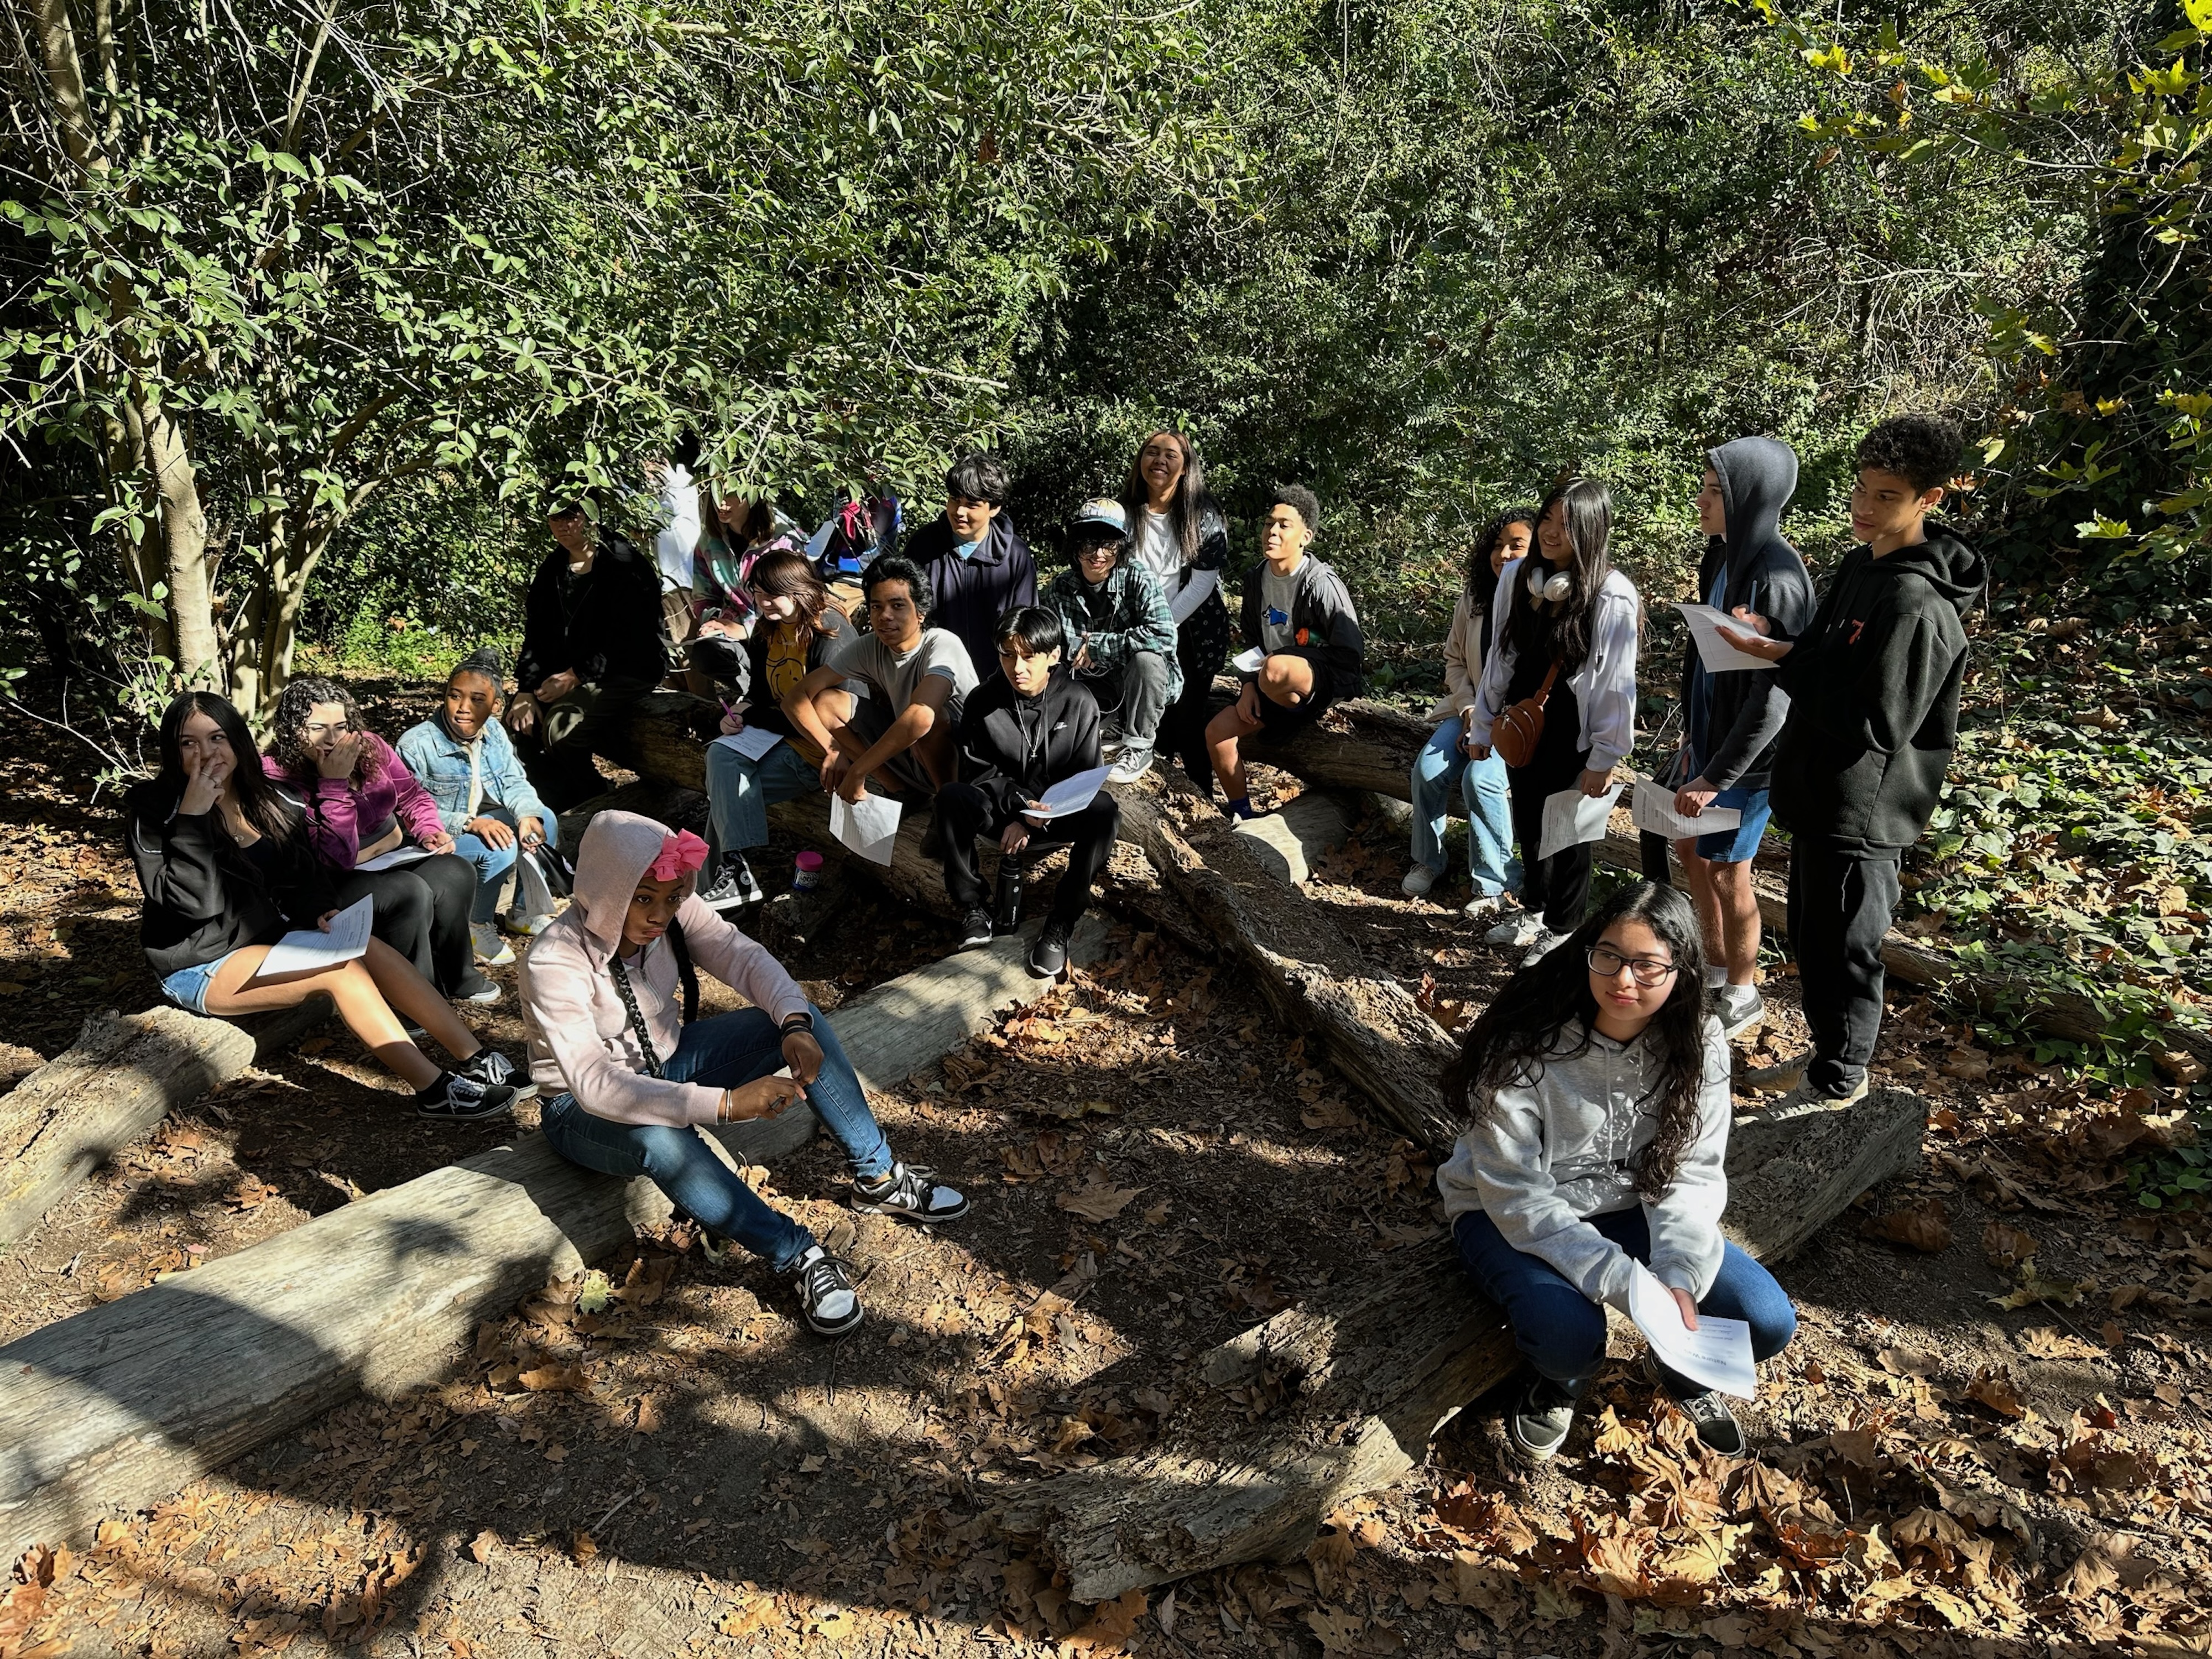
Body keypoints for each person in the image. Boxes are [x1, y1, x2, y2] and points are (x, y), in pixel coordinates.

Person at [519, 810, 968, 1338]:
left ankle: (879, 1176)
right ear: (607, 888)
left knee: (794, 1018)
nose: (659, 914)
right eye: (643, 898)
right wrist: (727, 1104)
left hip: (666, 1057)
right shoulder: (554, 960)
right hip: (579, 1107)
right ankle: (795, 1253)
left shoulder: (674, 915)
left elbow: (741, 956)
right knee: (659, 1140)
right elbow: (595, 1084)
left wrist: (795, 1024)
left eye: (672, 897)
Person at [1438, 881, 1797, 1463]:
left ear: (1680, 968)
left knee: (1765, 1320)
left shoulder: (1698, 1040)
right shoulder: (1526, 1044)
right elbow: (1515, 1195)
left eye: (1646, 965)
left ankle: (1680, 1372)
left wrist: (1677, 1273)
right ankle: (1559, 1383)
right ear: (1587, 951)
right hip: (1504, 1210)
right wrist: (1625, 1282)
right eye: (1608, 956)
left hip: (1631, 1203)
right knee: (1569, 1339)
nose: (1622, 980)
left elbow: (1690, 1170)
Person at [1718, 415, 1981, 1110]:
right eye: (1860, 489)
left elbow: (1882, 720)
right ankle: (1827, 1060)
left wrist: (1782, 663)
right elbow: (1830, 656)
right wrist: (1778, 639)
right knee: (1814, 940)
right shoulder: (1865, 565)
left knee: (1848, 951)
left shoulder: (1917, 600)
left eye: (1887, 496)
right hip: (1818, 793)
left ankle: (1838, 1084)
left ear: (1931, 499)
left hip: (1864, 809)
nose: (1864, 508)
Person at [129, 691, 526, 1120]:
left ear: (237, 741)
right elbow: (195, 904)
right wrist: (193, 816)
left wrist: (318, 908)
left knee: (372, 948)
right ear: (173, 749)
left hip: (270, 938)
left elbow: (304, 874)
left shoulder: (262, 797)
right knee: (342, 970)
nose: (207, 754)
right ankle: (433, 1090)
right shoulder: (152, 809)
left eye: (217, 738)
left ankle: (476, 1057)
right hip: (202, 962)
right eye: (189, 743)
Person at [1666, 439, 1815, 1040]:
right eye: (1703, 486)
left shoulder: (1777, 579)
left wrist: (1716, 776)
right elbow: (1705, 660)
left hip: (1748, 761)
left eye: (1713, 490)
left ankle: (1744, 991)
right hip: (1708, 743)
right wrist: (1690, 738)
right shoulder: (1722, 557)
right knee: (1687, 850)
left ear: (1747, 498)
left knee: (1729, 870)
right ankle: (1715, 965)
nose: (1700, 500)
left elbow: (1775, 698)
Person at [1466, 477, 1639, 964]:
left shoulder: (1612, 596)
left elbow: (1615, 685)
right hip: (1523, 724)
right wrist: (1482, 724)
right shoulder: (1517, 576)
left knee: (1569, 834)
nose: (1552, 533)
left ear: (1591, 531)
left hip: (1574, 731)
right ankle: (1534, 910)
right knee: (1529, 823)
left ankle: (1564, 928)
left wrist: (1605, 756)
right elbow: (1501, 652)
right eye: (1547, 519)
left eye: (1567, 525)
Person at [264, 677, 497, 1005]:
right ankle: (413, 997)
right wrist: (334, 783)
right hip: (329, 880)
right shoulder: (277, 775)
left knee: (455, 872)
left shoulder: (370, 746)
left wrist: (429, 829)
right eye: (318, 728)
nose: (333, 740)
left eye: (342, 726)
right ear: (291, 729)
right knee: (407, 892)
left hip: (388, 856)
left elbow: (412, 794)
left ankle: (457, 974)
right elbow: (336, 857)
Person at [938, 607, 1119, 976]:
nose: (1017, 667)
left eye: (1029, 656)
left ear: (1054, 655)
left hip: (1057, 814)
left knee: (1105, 810)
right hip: (1000, 809)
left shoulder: (1080, 701)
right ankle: (973, 905)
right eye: (1007, 654)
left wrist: (1038, 815)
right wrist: (1020, 811)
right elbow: (979, 773)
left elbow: (1084, 775)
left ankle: (1062, 922)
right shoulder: (982, 701)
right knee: (951, 798)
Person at [695, 549, 852, 910]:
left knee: (725, 792)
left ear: (799, 590)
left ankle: (725, 886)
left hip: (820, 753)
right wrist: (740, 712)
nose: (762, 602)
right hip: (779, 740)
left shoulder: (828, 632)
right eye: (757, 593)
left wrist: (757, 716)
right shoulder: (768, 630)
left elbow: (834, 713)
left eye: (772, 594)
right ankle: (730, 880)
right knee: (722, 762)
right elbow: (762, 695)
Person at [1406, 507, 1536, 917]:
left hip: (1517, 726)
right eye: (1499, 546)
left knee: (1481, 780)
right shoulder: (1475, 597)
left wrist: (1492, 724)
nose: (1505, 554)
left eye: (1517, 545)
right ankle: (1429, 860)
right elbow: (1454, 660)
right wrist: (1467, 711)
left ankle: (1496, 882)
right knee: (1427, 770)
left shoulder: (1540, 605)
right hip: (1469, 712)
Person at [1204, 484, 1364, 818]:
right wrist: (1248, 685)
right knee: (1217, 733)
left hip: (1315, 683)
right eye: (1268, 523)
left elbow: (1351, 653)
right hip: (1268, 684)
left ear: (1305, 536)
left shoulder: (1321, 583)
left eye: (1283, 525)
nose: (1272, 532)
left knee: (1277, 668)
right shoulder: (1256, 579)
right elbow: (1250, 638)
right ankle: (1241, 814)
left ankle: (1295, 717)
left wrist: (1329, 698)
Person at [397, 649, 559, 966]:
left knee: (545, 820)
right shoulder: (417, 744)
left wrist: (526, 814)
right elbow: (405, 813)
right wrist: (471, 823)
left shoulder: (494, 733)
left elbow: (514, 780)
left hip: (477, 822)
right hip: (436, 840)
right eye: (455, 696)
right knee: (499, 844)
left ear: (497, 706)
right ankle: (476, 924)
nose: (463, 709)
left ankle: (524, 912)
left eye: (477, 700)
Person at [506, 495, 667, 811]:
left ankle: (597, 798)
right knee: (518, 723)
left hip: (629, 670)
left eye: (572, 516)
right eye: (556, 518)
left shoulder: (624, 564)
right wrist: (526, 689)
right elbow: (536, 633)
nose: (564, 526)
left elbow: (633, 639)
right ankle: (550, 803)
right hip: (568, 672)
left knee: (561, 731)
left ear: (592, 516)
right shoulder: (553, 568)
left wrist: (576, 675)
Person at [787, 556, 978, 805]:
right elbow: (795, 698)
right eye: (876, 607)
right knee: (826, 703)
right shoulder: (871, 647)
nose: (885, 616)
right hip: (913, 758)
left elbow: (921, 717)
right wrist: (833, 750)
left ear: (920, 613)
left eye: (897, 606)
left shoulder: (942, 644)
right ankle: (900, 791)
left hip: (967, 764)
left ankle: (947, 803)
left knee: (929, 720)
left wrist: (858, 770)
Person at [1117, 430, 1234, 787]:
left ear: (1185, 467)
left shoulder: (1205, 516)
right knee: (1149, 715)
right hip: (1135, 627)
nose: (1160, 461)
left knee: (1187, 718)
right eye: (1152, 453)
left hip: (1194, 633)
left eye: (1171, 455)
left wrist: (1161, 626)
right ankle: (1154, 794)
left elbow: (1202, 583)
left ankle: (1204, 799)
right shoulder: (1122, 512)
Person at [1042, 498, 1179, 784]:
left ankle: (1140, 745)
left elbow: (1164, 636)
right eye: (1088, 543)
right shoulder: (1059, 588)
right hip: (1092, 687)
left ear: (1122, 546)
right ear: (1075, 545)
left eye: (1109, 544)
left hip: (1142, 683)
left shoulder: (1139, 577)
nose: (1099, 554)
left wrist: (1099, 645)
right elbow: (1050, 649)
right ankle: (1107, 725)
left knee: (1147, 659)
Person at [904, 452, 1036, 678]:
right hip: (932, 677)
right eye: (955, 500)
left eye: (971, 505)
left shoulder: (1016, 556)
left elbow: (1025, 627)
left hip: (996, 683)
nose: (959, 512)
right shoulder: (922, 546)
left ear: (994, 508)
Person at [686, 488, 807, 695]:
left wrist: (746, 630)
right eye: (715, 493)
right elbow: (704, 597)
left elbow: (796, 605)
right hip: (736, 639)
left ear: (753, 494)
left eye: (731, 494)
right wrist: (717, 622)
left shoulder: (783, 541)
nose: (721, 503)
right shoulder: (708, 542)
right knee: (704, 653)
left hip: (781, 639)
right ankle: (754, 694)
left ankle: (772, 695)